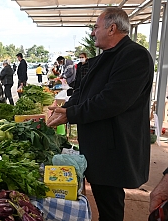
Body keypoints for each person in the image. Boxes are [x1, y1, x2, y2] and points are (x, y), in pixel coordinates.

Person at [47, 7, 154, 221]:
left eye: (96, 27)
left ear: (112, 28)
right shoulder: (108, 56)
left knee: (110, 204)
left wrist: (71, 114)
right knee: (104, 196)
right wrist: (66, 107)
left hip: (115, 146)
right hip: (102, 146)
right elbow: (84, 92)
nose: (93, 32)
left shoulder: (135, 56)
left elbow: (111, 101)